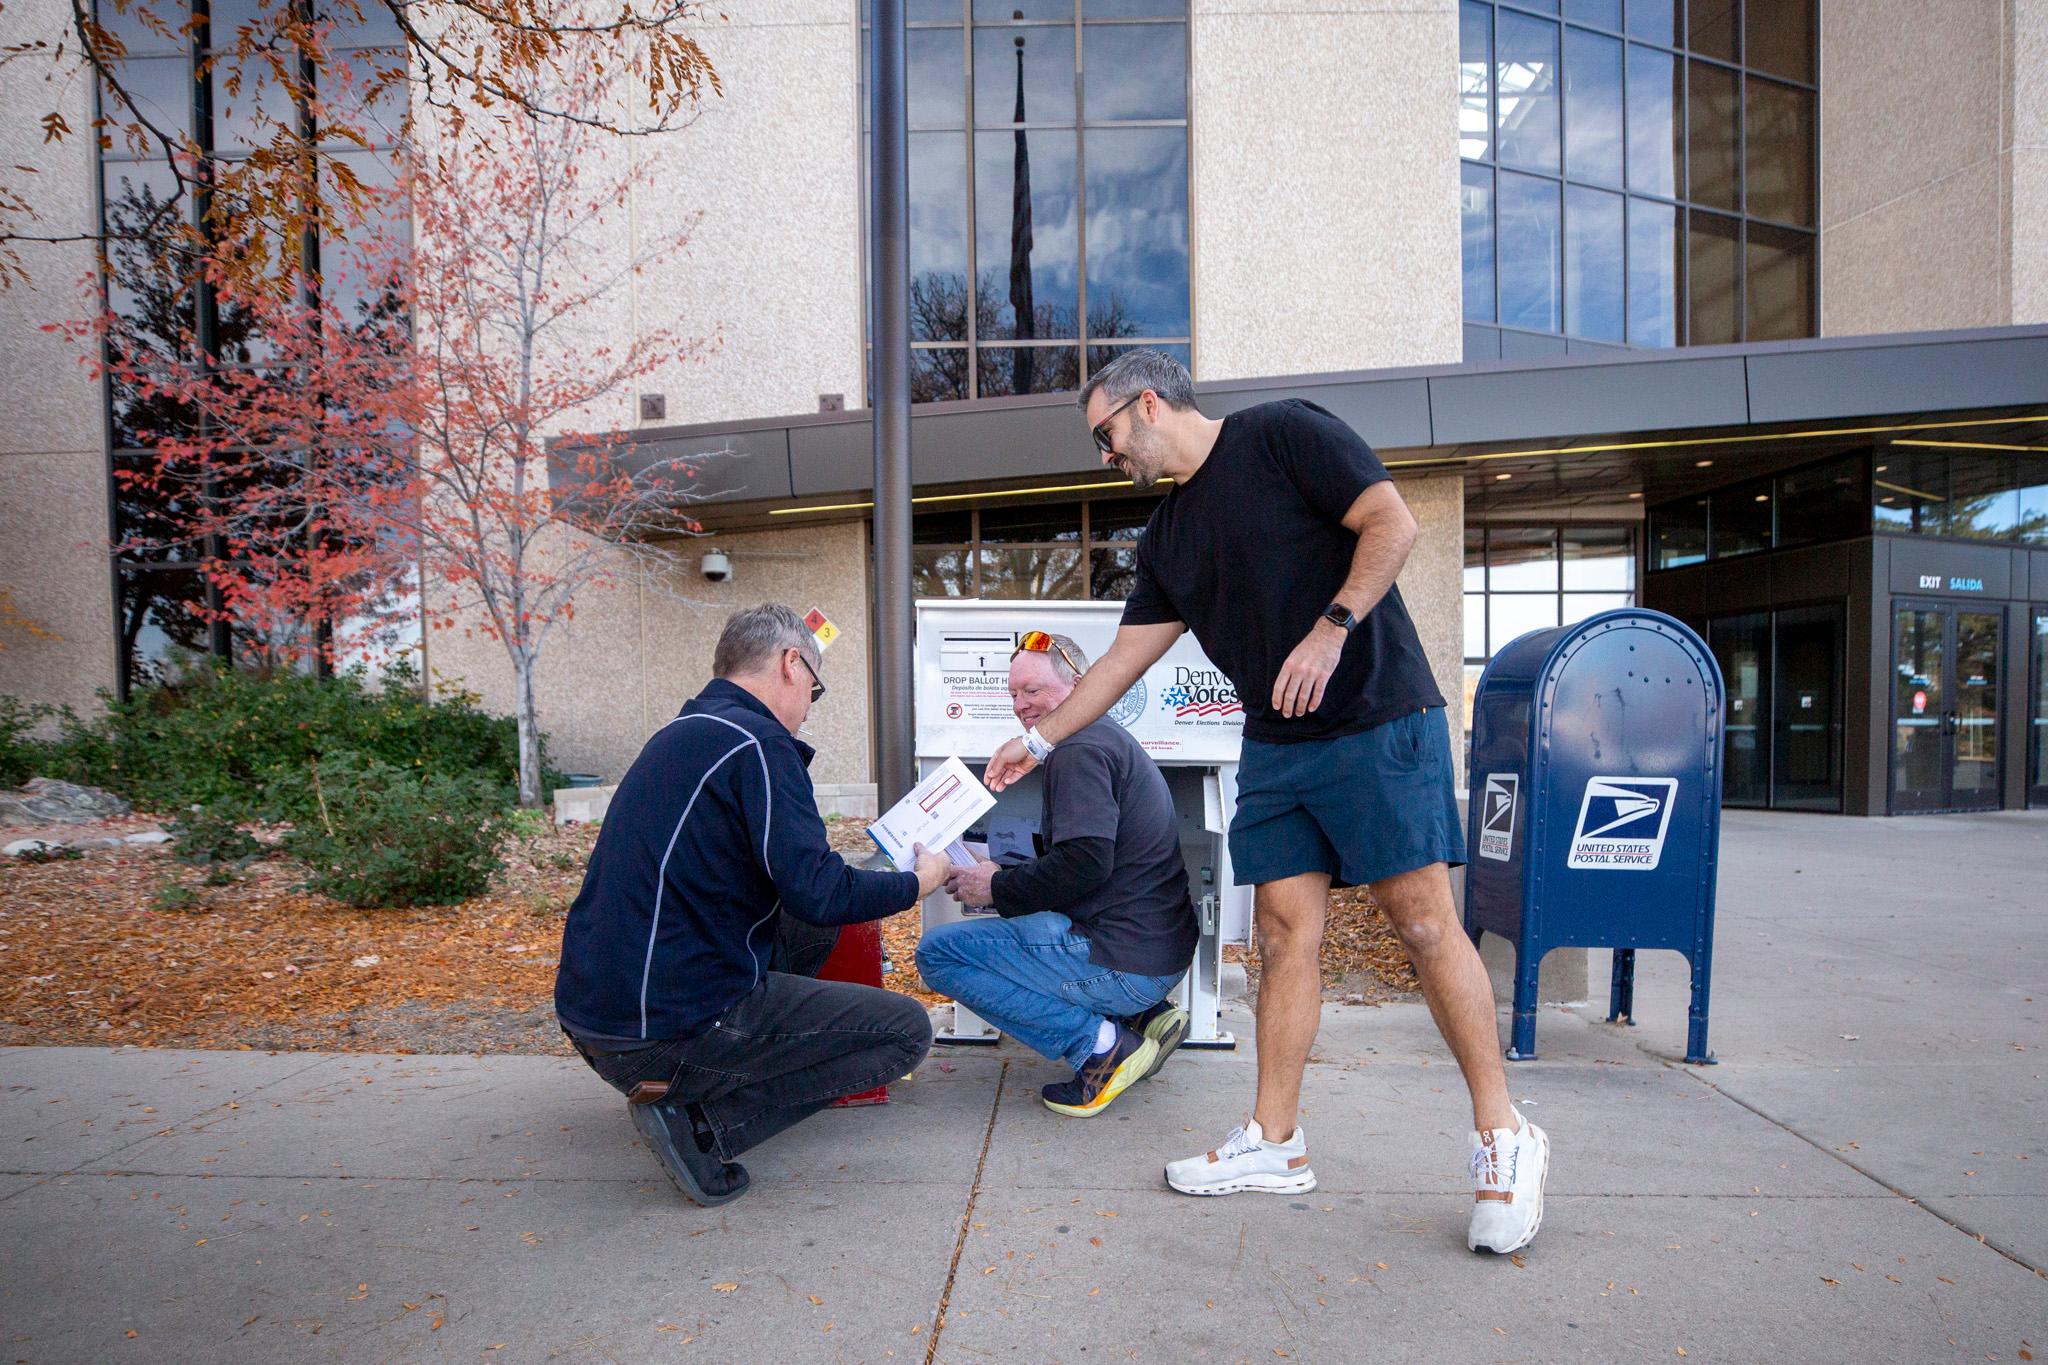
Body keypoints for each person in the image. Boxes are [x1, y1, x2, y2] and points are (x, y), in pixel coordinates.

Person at [983, 350, 1550, 1254]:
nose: (1105, 456)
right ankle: (1277, 1143)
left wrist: (1333, 628)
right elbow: (1123, 662)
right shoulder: (1166, 539)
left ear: (1150, 403)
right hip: (1277, 745)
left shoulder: (1282, 435)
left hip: (1376, 715)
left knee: (1424, 925)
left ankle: (1502, 1137)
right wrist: (1039, 740)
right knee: (1284, 935)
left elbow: (1391, 523)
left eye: (1107, 434)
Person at [555, 603, 952, 1208]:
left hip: (595, 1018)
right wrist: (918, 883)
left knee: (805, 931)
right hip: (665, 1031)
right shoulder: (761, 744)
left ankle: (709, 1072)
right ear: (792, 665)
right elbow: (821, 892)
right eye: (814, 690)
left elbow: (793, 885)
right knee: (903, 1033)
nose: (808, 707)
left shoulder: (679, 735)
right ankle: (705, 1127)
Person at [916, 631, 1196, 1118]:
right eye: (1014, 694)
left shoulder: (1077, 750)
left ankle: (1101, 1047)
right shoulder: (1102, 736)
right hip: (1155, 949)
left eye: (1034, 691)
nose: (1021, 705)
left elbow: (1086, 862)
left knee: (938, 955)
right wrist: (1003, 876)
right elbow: (1092, 865)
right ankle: (1144, 1016)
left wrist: (995, 887)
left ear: (1080, 685)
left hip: (1126, 961)